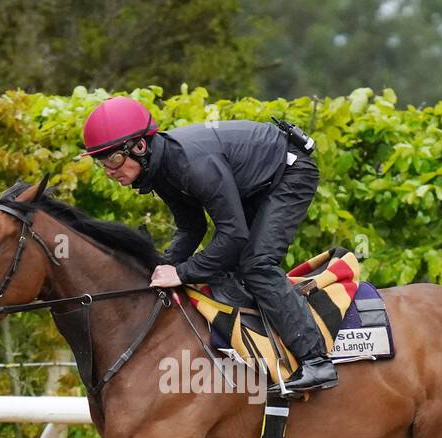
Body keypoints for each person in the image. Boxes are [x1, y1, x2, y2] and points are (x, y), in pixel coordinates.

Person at [80, 96, 337, 394]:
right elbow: (192, 228)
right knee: (229, 267)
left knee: (256, 264)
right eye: (102, 163)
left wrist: (182, 272)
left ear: (139, 147)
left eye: (113, 159)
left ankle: (317, 361)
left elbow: (234, 235)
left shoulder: (191, 165)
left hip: (290, 172)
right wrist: (160, 267)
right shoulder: (160, 168)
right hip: (257, 180)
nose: (109, 171)